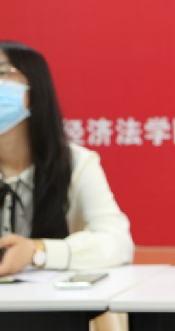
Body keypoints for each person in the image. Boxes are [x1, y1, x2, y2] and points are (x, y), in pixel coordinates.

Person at [0, 41, 134, 276]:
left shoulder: (75, 163)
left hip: (51, 298)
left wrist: (37, 251)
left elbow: (117, 242)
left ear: (35, 86)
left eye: (2, 72)